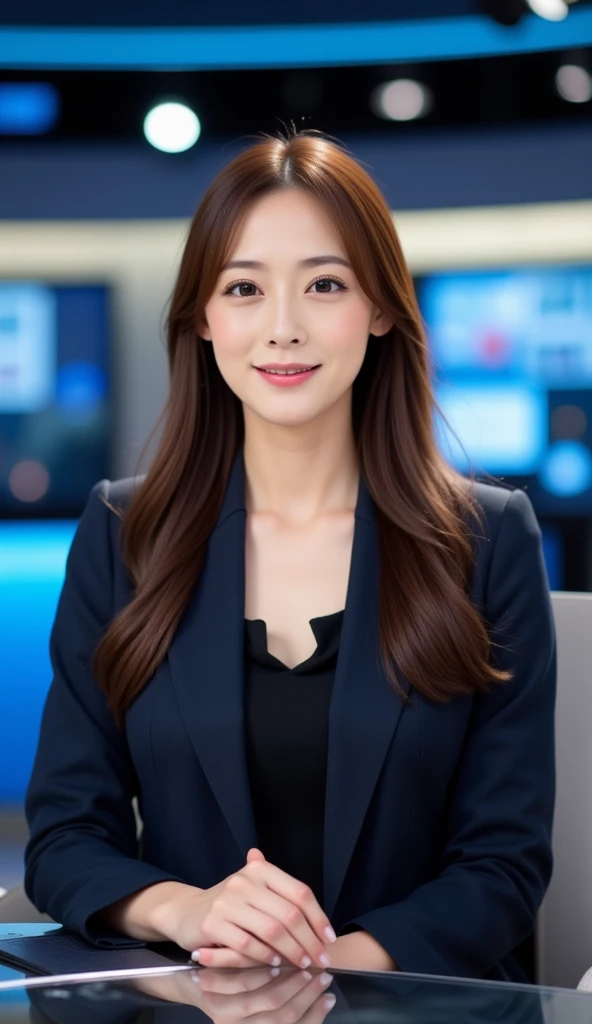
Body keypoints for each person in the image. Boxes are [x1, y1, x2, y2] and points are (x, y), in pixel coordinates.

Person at [24, 129, 556, 982]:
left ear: (380, 308)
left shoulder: (487, 542)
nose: (282, 327)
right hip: (193, 1003)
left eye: (324, 284)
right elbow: (63, 837)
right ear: (203, 318)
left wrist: (321, 975)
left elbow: (502, 866)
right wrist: (189, 910)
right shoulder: (125, 535)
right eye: (244, 288)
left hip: (408, 1010)